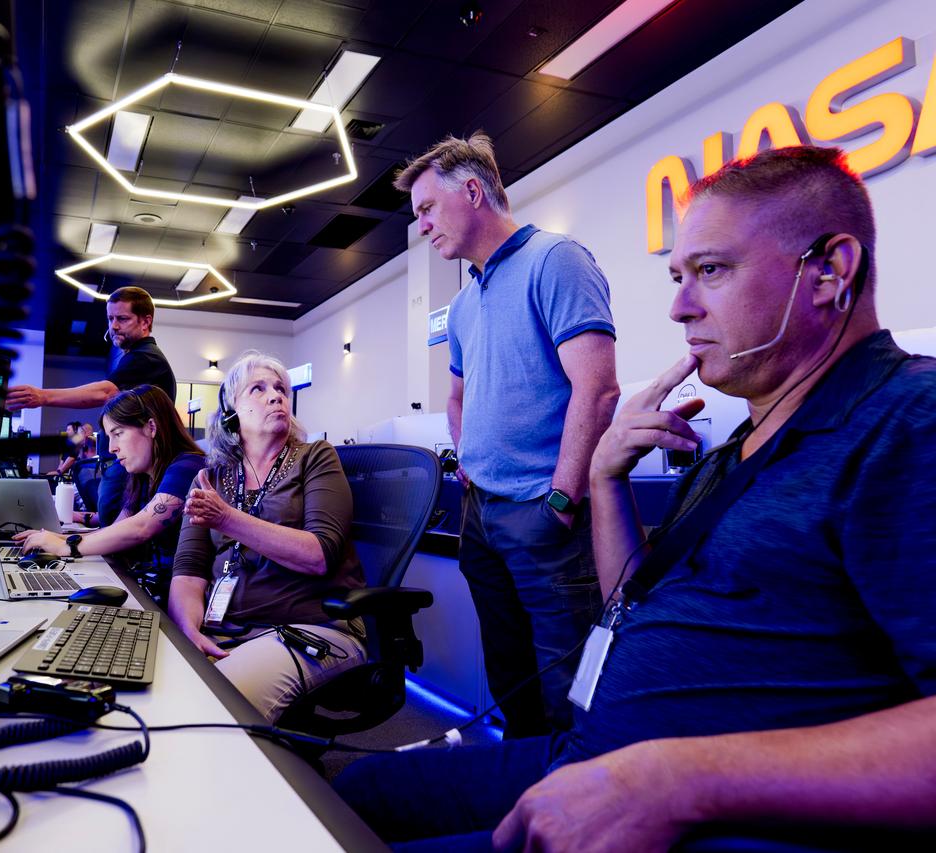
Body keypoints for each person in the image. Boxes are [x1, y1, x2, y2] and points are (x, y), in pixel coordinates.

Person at [334, 145, 936, 851]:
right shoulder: (738, 450)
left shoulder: (905, 420)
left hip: (684, 803)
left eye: (711, 271)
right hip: (598, 750)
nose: (679, 308)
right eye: (679, 276)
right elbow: (633, 597)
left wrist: (681, 780)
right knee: (349, 796)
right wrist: (604, 479)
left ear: (829, 271)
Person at [393, 131, 620, 735]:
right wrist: (468, 458)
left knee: (564, 690)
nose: (422, 226)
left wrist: (564, 497)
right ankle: (519, 799)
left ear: (472, 191)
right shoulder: (466, 303)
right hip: (481, 516)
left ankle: (572, 814)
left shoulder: (556, 260)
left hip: (543, 511)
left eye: (426, 209)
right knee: (510, 678)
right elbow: (457, 395)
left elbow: (597, 390)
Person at [170, 351, 367, 724]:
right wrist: (190, 632)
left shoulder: (315, 457)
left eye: (280, 389)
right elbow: (189, 568)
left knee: (212, 713)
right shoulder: (213, 476)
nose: (275, 395)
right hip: (229, 629)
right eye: (257, 389)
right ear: (230, 409)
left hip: (310, 627)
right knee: (170, 691)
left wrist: (228, 519)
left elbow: (318, 554)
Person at [7, 286, 176, 527]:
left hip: (129, 465)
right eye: (110, 318)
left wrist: (42, 397)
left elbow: (105, 391)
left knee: (116, 539)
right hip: (122, 464)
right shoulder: (133, 357)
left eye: (122, 318)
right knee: (110, 525)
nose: (114, 326)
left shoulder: (146, 357)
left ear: (145, 321)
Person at [14, 385, 203, 562]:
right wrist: (55, 537)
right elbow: (116, 531)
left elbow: (141, 528)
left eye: (118, 434)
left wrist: (64, 547)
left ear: (151, 427)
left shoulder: (189, 466)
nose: (112, 448)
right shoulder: (143, 477)